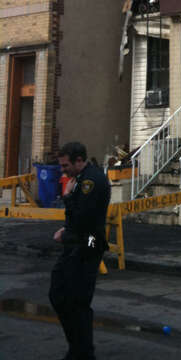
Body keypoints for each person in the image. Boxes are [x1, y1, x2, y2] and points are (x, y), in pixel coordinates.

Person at [49, 141, 110, 360]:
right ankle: (78, 348)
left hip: (89, 242)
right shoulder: (81, 179)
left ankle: (82, 352)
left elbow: (84, 218)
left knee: (77, 300)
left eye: (66, 166)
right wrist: (67, 229)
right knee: (59, 294)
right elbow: (77, 218)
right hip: (78, 241)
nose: (63, 170)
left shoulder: (90, 181)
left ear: (78, 160)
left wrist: (67, 198)